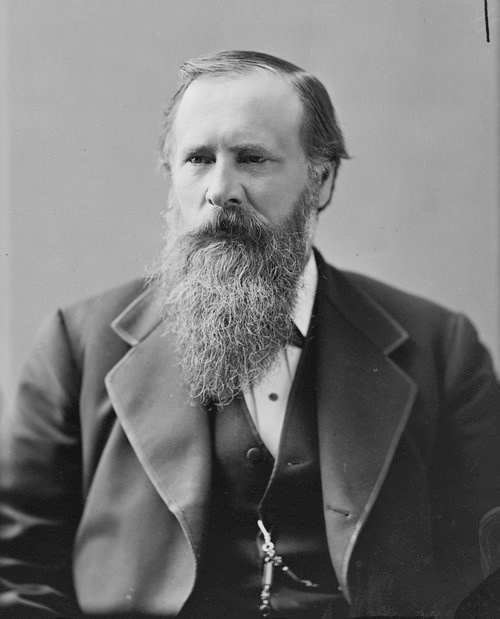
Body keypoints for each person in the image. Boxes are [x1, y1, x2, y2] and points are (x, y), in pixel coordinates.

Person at [1, 50, 499, 619]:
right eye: (197, 159)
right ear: (170, 178)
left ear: (322, 180)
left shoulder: (440, 350)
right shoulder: (78, 347)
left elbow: (487, 580)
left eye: (252, 159)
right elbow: (17, 575)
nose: (220, 189)